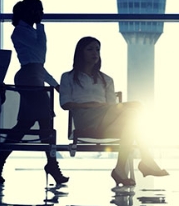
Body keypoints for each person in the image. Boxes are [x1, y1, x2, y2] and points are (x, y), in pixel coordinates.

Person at [59, 37, 167, 187]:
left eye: (97, 49)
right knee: (136, 108)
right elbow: (64, 104)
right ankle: (145, 160)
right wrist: (90, 105)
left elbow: (110, 106)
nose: (95, 53)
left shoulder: (106, 79)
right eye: (90, 49)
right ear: (80, 53)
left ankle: (120, 169)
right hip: (85, 120)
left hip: (106, 119)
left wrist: (102, 107)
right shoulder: (68, 77)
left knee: (133, 117)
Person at [0, 0, 67, 186]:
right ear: (30, 12)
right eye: (39, 10)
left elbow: (38, 65)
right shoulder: (20, 32)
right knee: (44, 124)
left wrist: (54, 84)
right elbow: (40, 52)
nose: (42, 14)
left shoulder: (28, 31)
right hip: (30, 78)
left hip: (33, 77)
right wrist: (41, 28)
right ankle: (51, 165)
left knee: (27, 125)